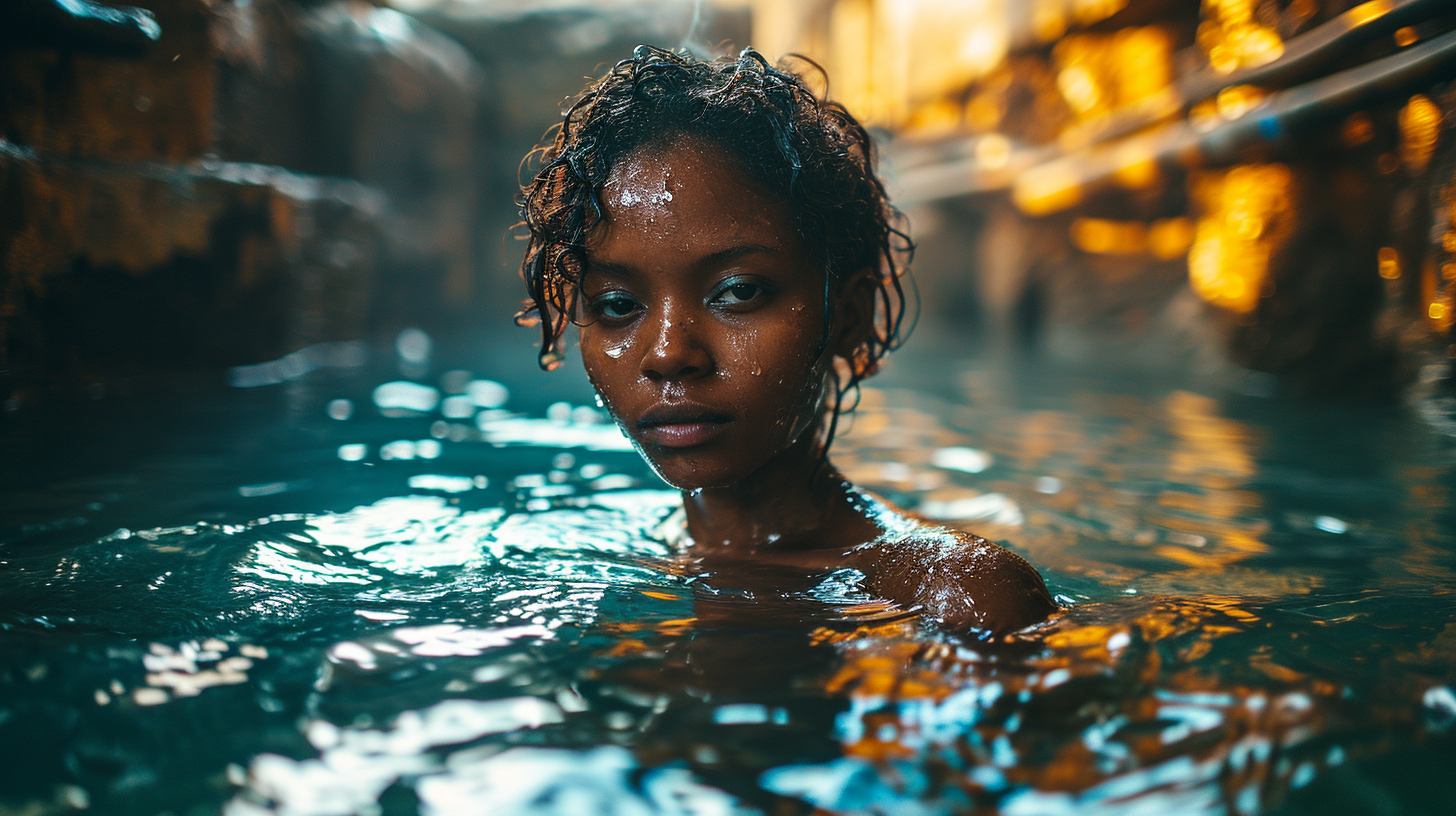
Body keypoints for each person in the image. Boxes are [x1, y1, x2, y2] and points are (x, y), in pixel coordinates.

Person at [515, 46, 1055, 639]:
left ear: (849, 315)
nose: (668, 353)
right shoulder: (585, 556)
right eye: (618, 306)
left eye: (739, 291)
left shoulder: (953, 597)